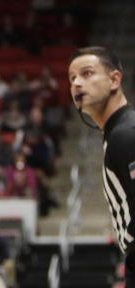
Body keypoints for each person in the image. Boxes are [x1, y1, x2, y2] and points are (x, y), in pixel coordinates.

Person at [68, 46, 135, 283]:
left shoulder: (126, 134)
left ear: (114, 79)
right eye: (72, 78)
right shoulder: (119, 132)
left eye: (87, 74)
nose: (77, 83)